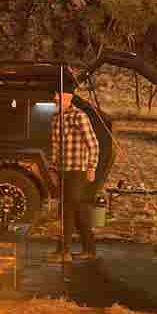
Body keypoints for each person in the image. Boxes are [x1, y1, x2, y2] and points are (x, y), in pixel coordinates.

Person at [49, 82, 100, 262]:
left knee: (67, 209)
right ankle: (89, 249)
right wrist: (53, 168)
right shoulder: (56, 118)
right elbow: (55, 146)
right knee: (77, 210)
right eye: (55, 94)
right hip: (63, 170)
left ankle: (63, 252)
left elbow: (93, 144)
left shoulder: (80, 116)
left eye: (58, 95)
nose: (55, 98)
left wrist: (91, 167)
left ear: (68, 97)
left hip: (78, 170)